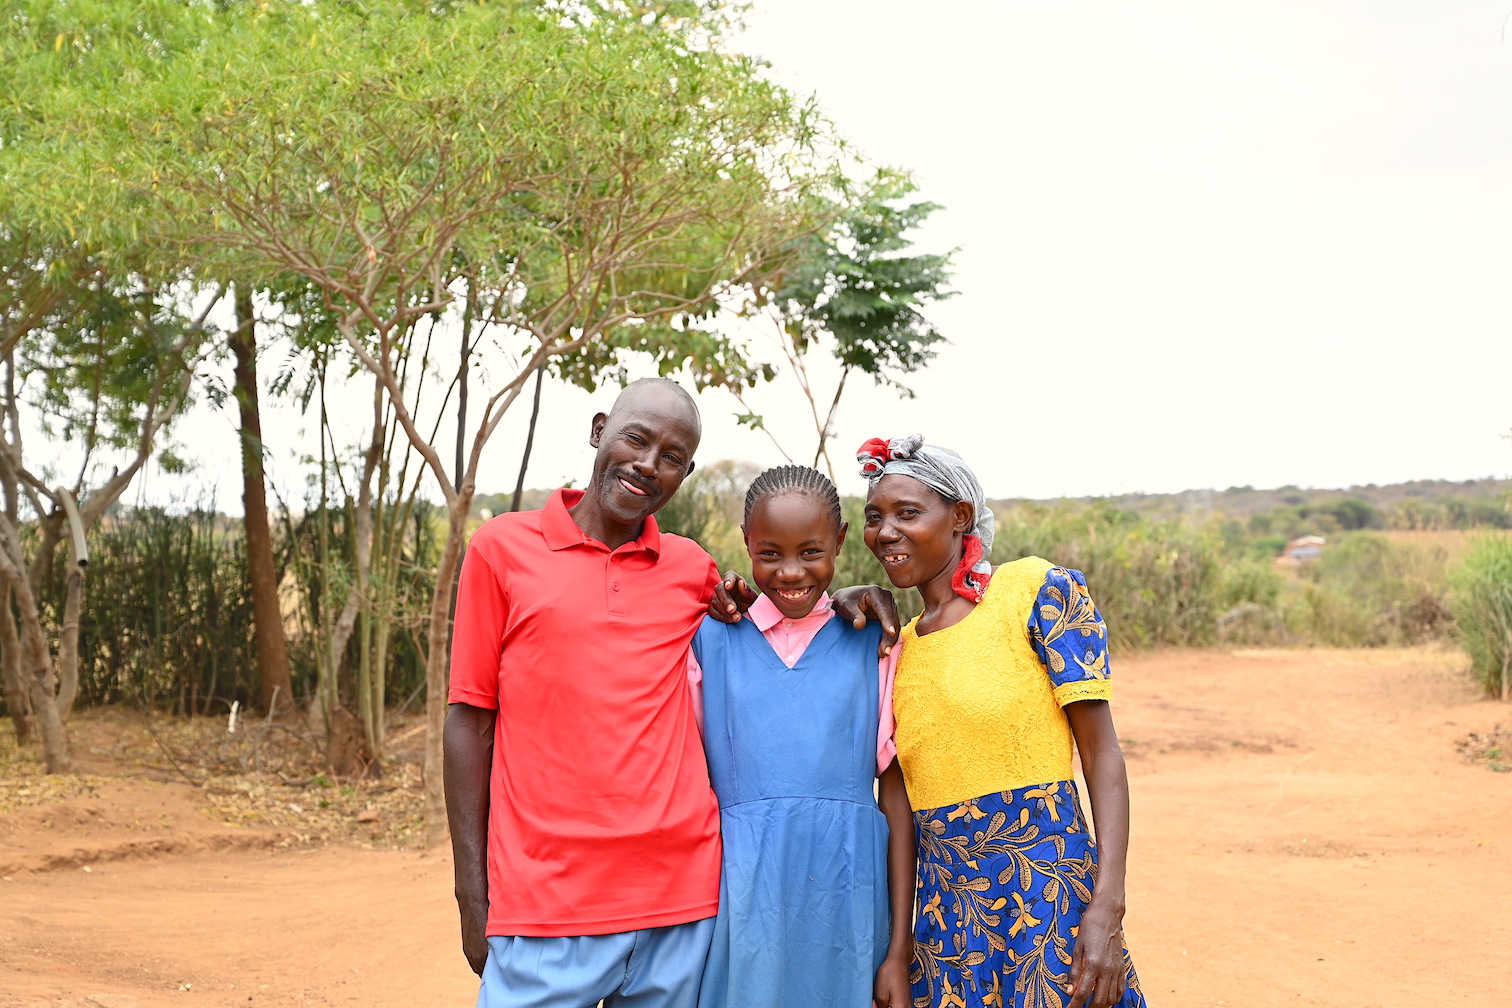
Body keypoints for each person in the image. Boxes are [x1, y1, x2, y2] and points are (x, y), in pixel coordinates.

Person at [443, 377, 897, 1008]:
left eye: (674, 458)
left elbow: (780, 604)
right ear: (600, 431)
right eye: (637, 439)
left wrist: (850, 596)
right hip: (548, 901)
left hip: (681, 905)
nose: (649, 465)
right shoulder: (501, 551)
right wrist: (472, 889)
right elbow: (469, 720)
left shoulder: (691, 570)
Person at [856, 434, 1148, 1008]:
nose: (885, 532)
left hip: (1049, 905)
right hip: (947, 932)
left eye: (907, 513)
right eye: (874, 517)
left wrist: (1107, 908)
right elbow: (899, 806)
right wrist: (897, 951)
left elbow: (1101, 754)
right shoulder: (893, 651)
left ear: (961, 516)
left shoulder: (1036, 592)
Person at [687, 465, 914, 1008]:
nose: (790, 572)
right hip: (741, 893)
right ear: (747, 544)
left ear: (838, 544)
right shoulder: (709, 638)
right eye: (770, 553)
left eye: (811, 552)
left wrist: (898, 948)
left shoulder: (874, 642)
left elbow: (896, 791)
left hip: (848, 893)